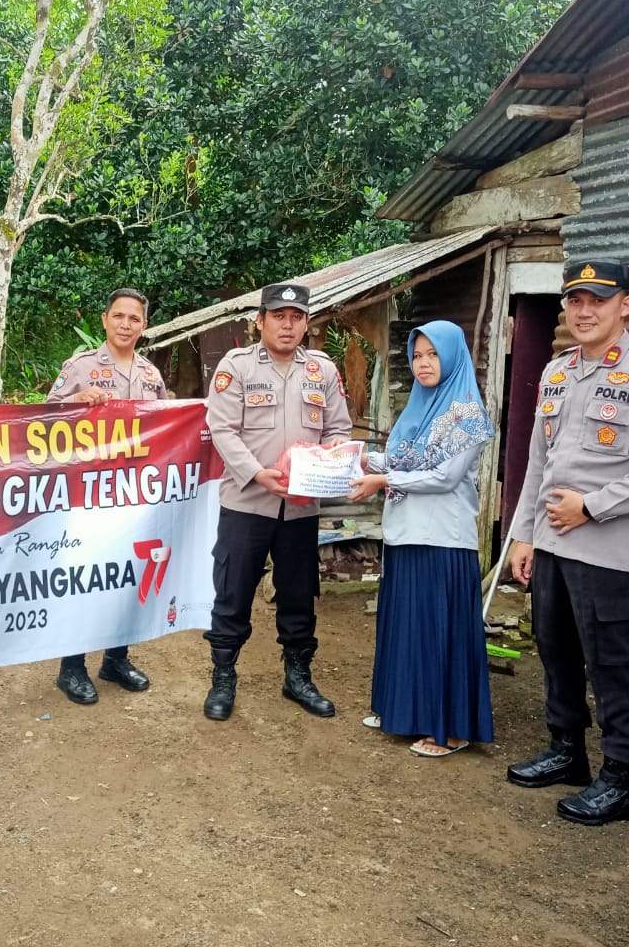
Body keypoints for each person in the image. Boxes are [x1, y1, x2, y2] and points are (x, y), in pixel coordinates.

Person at [507, 258, 629, 826]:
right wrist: (522, 536)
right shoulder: (558, 371)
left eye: (598, 300)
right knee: (555, 650)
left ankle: (619, 779)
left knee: (614, 663)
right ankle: (568, 751)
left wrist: (593, 505)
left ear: (625, 306)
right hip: (553, 548)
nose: (584, 311)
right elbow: (539, 462)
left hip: (608, 552)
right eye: (575, 301)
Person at [202, 283, 353, 721]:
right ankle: (223, 677)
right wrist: (257, 474)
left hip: (301, 507)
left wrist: (329, 461)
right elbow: (222, 430)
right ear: (261, 321)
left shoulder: (321, 370)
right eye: (279, 316)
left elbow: (337, 430)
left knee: (298, 594)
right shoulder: (238, 366)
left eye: (296, 317)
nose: (288, 325)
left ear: (306, 322)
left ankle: (298, 676)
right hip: (247, 503)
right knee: (233, 593)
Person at [348, 320, 495, 757]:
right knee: (407, 628)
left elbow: (444, 476)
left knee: (438, 633)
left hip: (443, 539)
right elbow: (402, 459)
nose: (423, 364)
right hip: (407, 532)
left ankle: (450, 728)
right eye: (417, 355)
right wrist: (358, 457)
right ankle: (402, 711)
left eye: (433, 354)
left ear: (452, 356)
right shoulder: (418, 408)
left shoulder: (467, 413)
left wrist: (381, 479)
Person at [45, 287, 167, 704]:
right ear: (105, 319)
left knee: (127, 579)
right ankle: (71, 667)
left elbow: (169, 428)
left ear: (144, 326)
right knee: (84, 580)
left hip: (136, 498)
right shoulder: (79, 366)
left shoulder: (151, 375)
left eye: (134, 319)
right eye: (119, 316)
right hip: (89, 497)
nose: (126, 325)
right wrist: (75, 401)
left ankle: (116, 658)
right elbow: (44, 416)